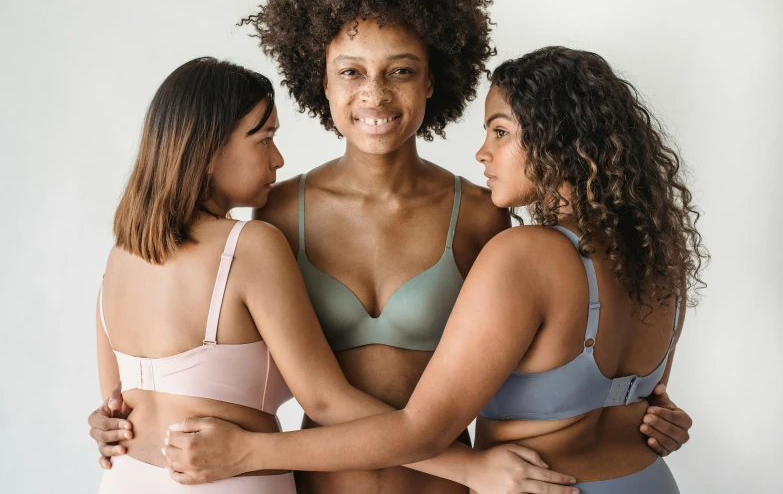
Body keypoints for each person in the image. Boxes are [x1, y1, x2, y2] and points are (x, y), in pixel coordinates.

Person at [90, 0, 693, 492]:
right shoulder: (274, 214)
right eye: (349, 71)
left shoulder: (484, 216)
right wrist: (126, 413)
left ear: (432, 79)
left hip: (451, 488)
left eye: (400, 71)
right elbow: (220, 354)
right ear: (320, 82)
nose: (373, 94)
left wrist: (635, 407)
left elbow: (545, 352)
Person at [93, 56, 582, 494]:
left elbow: (117, 406)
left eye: (401, 70)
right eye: (264, 140)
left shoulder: (120, 256)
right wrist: (470, 469)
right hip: (238, 482)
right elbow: (323, 398)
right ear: (206, 149)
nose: (278, 158)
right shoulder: (256, 238)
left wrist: (627, 399)